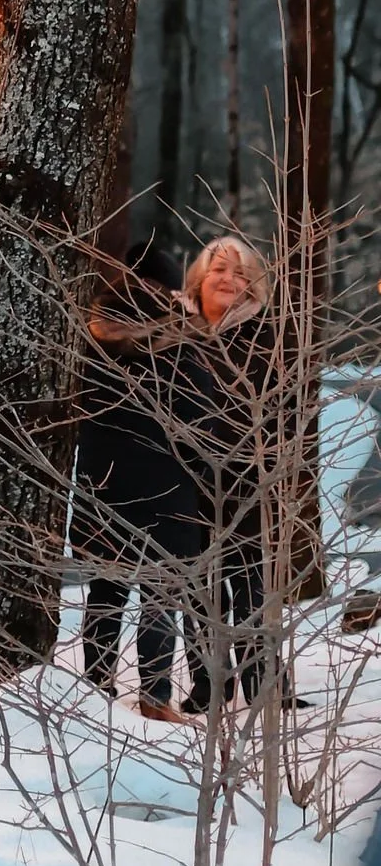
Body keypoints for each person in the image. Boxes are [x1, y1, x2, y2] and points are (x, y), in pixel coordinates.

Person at [75, 238, 200, 717]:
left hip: (102, 480)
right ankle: (155, 696)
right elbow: (198, 412)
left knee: (106, 590)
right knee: (160, 591)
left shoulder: (91, 334)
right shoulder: (178, 340)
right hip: (166, 480)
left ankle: (96, 685)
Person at [174, 233, 275, 710]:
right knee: (199, 588)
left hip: (248, 476)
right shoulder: (175, 332)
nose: (229, 279)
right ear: (198, 278)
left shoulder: (266, 334)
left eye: (240, 272)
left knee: (250, 583)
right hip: (185, 478)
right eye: (218, 270)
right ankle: (209, 684)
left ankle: (261, 684)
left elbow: (283, 411)